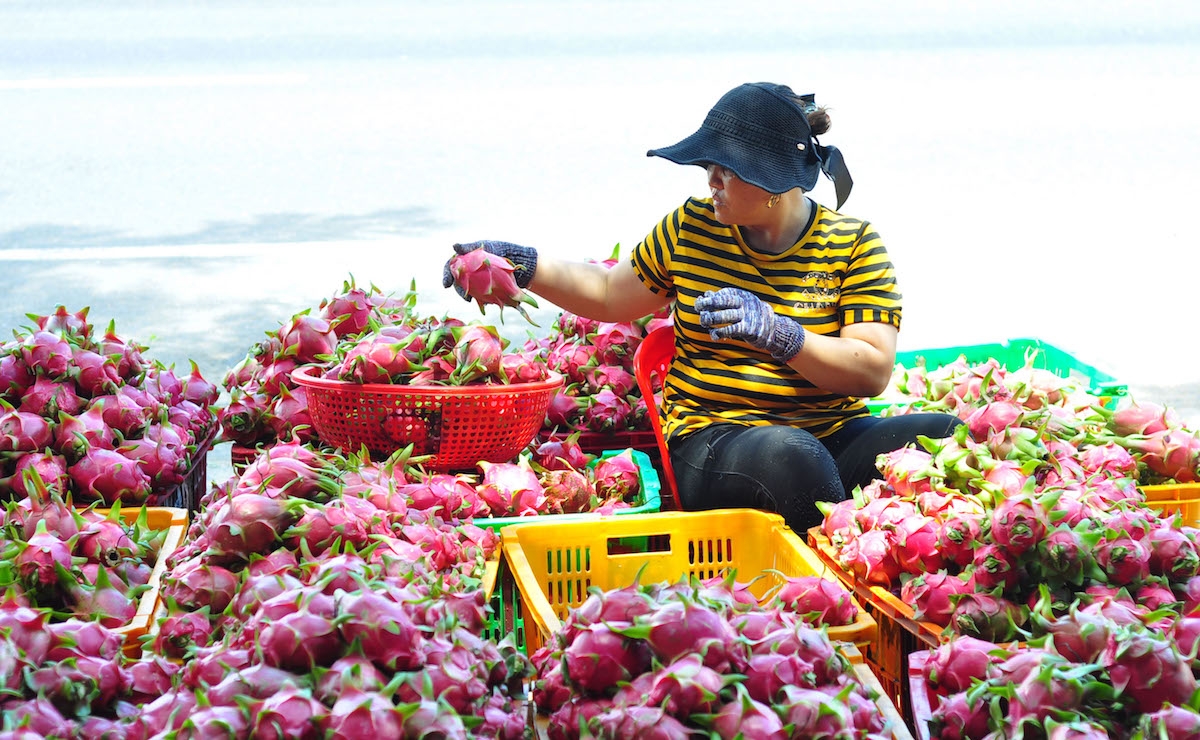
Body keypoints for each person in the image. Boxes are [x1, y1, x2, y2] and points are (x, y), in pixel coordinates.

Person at [442, 81, 961, 532]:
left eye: (725, 169)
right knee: (794, 459)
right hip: (716, 439)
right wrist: (521, 262)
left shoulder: (854, 245)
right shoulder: (692, 229)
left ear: (775, 182)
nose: (710, 180)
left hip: (830, 432)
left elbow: (870, 371)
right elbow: (606, 293)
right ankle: (826, 597)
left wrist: (781, 335)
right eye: (709, 166)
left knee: (945, 436)